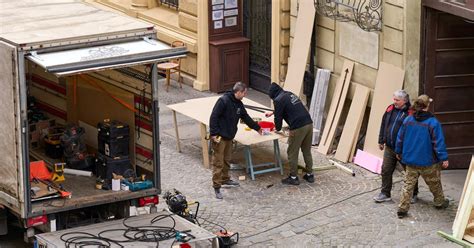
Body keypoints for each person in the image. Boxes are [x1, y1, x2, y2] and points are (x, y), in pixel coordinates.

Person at [395, 94, 450, 218]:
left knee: (408, 185)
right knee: (434, 183)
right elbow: (438, 142)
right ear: (427, 106)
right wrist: (443, 158)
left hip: (410, 160)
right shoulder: (433, 122)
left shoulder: (408, 120)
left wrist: (398, 152)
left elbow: (400, 138)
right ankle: (439, 202)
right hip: (427, 161)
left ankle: (402, 209)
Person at [209, 82, 262, 199]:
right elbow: (214, 117)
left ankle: (225, 179)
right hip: (220, 137)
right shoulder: (223, 101)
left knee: (227, 159)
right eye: (244, 93)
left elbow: (246, 117)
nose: (245, 95)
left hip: (229, 136)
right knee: (218, 162)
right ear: (238, 92)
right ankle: (216, 186)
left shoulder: (239, 104)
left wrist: (257, 128)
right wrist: (213, 133)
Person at [373, 90, 419, 203]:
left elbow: (413, 132)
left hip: (404, 150)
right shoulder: (390, 109)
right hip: (389, 147)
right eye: (394, 99)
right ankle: (385, 193)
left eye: (397, 100)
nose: (394, 102)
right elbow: (384, 124)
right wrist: (381, 140)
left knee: (410, 172)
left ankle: (413, 193)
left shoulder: (411, 113)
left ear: (404, 101)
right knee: (386, 170)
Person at [267, 82, 314, 185]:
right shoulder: (289, 94)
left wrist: (277, 128)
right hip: (309, 123)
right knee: (306, 150)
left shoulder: (278, 100)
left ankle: (293, 177)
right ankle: (310, 175)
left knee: (292, 152)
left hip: (298, 127)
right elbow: (290, 107)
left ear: (273, 95)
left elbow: (278, 118)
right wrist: (274, 111)